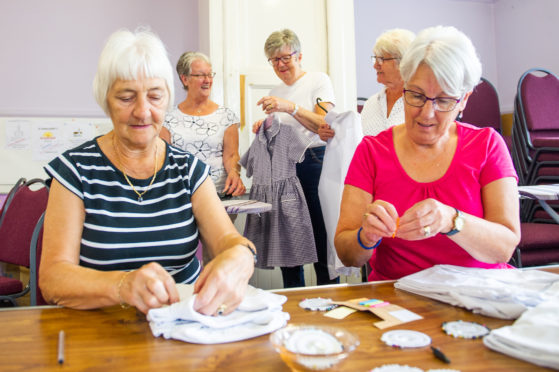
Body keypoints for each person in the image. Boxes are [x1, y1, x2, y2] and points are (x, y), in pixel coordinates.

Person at [39, 29, 256, 315]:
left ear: (167, 98)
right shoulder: (75, 172)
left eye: (155, 97)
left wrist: (241, 256)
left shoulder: (188, 170)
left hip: (183, 328)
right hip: (99, 332)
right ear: (106, 100)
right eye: (126, 98)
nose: (143, 112)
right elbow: (53, 279)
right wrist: (122, 286)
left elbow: (227, 240)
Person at [334, 26, 520, 281]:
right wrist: (364, 237)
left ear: (463, 100)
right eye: (417, 95)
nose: (426, 113)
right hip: (398, 301)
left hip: (479, 294)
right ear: (404, 86)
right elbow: (347, 254)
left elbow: (505, 247)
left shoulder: (487, 145)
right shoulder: (372, 151)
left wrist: (451, 220)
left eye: (443, 100)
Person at [252, 28, 337, 287]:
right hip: (284, 168)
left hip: (314, 162)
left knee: (320, 234)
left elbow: (323, 124)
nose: (280, 65)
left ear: (299, 56)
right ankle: (293, 302)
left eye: (285, 58)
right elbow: (283, 131)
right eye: (274, 60)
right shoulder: (276, 90)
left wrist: (289, 107)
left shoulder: (318, 81)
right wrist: (265, 126)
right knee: (288, 237)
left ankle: (330, 300)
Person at [161, 51, 245, 197]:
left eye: (210, 74)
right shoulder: (167, 119)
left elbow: (231, 156)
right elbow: (163, 161)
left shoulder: (226, 116)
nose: (207, 80)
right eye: (200, 75)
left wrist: (234, 173)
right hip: (182, 195)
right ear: (185, 79)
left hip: (219, 194)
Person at [360, 29, 415, 136]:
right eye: (375, 59)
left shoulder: (420, 103)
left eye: (381, 59)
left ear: (403, 62)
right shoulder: (371, 103)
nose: (375, 65)